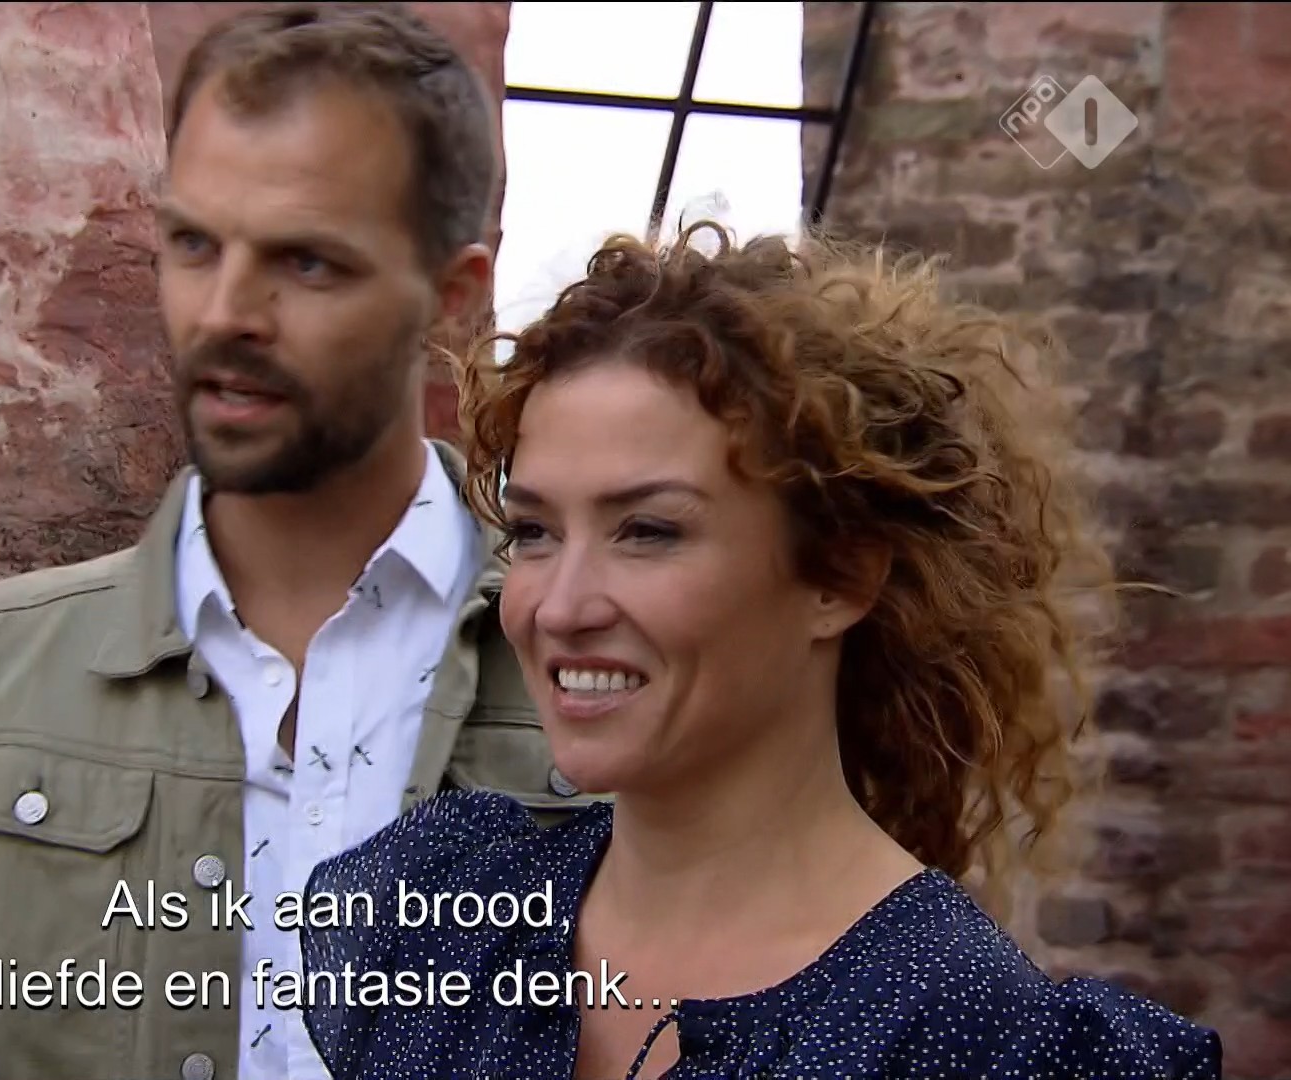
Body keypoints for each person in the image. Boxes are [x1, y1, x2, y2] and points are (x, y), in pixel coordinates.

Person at [0, 5, 598, 1080]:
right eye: (194, 244)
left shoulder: (589, 659)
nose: (226, 312)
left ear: (450, 297)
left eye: (306, 261)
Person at [296, 223, 1226, 1079]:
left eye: (648, 531)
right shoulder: (446, 927)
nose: (560, 607)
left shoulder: (973, 1038)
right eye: (535, 532)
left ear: (839, 577)